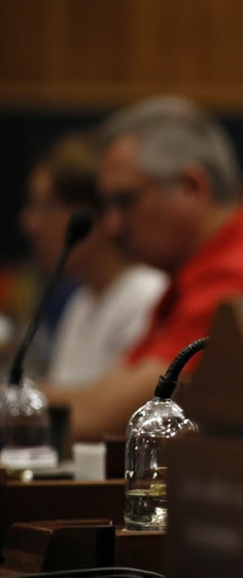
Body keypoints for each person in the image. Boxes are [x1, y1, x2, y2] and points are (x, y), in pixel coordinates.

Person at [43, 96, 243, 442]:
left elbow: (106, 418)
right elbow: (108, 391)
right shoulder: (193, 274)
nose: (112, 226)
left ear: (191, 187)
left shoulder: (238, 278)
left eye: (125, 201)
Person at [19, 133, 167, 388]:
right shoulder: (81, 300)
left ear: (94, 218)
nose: (29, 223)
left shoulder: (146, 295)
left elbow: (114, 415)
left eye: (46, 207)